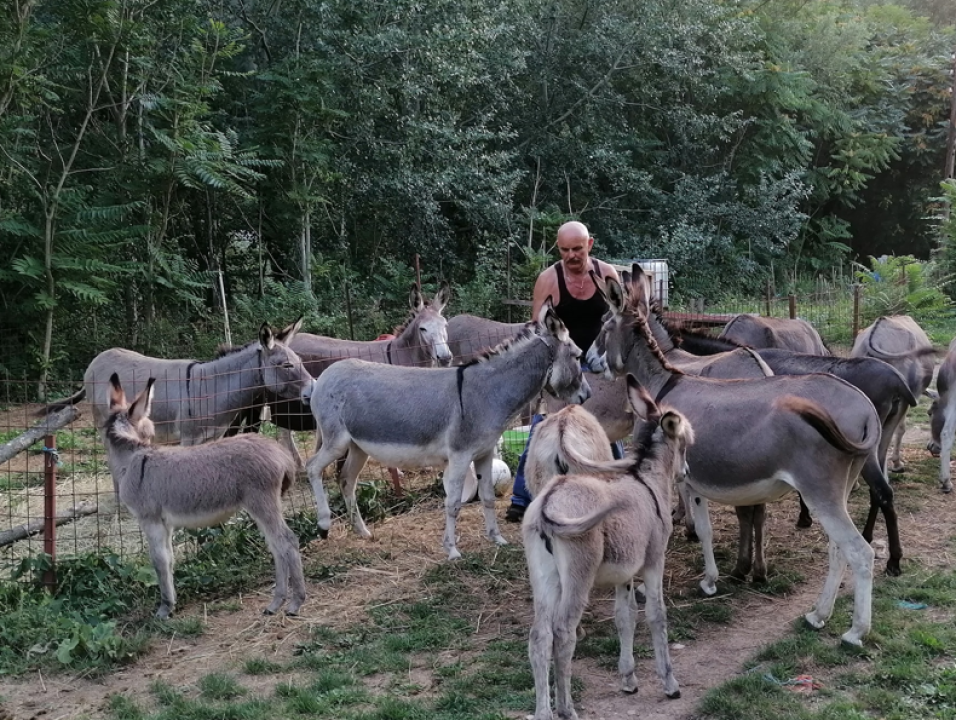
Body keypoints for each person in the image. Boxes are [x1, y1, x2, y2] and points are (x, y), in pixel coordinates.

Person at [504, 221, 622, 522]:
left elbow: (620, 319)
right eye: (565, 250)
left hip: (597, 361)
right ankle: (522, 497)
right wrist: (546, 375)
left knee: (604, 424)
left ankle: (617, 488)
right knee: (546, 426)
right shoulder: (549, 280)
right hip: (563, 365)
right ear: (559, 248)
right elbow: (537, 330)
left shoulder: (607, 274)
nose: (572, 256)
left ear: (590, 245)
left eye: (578, 249)